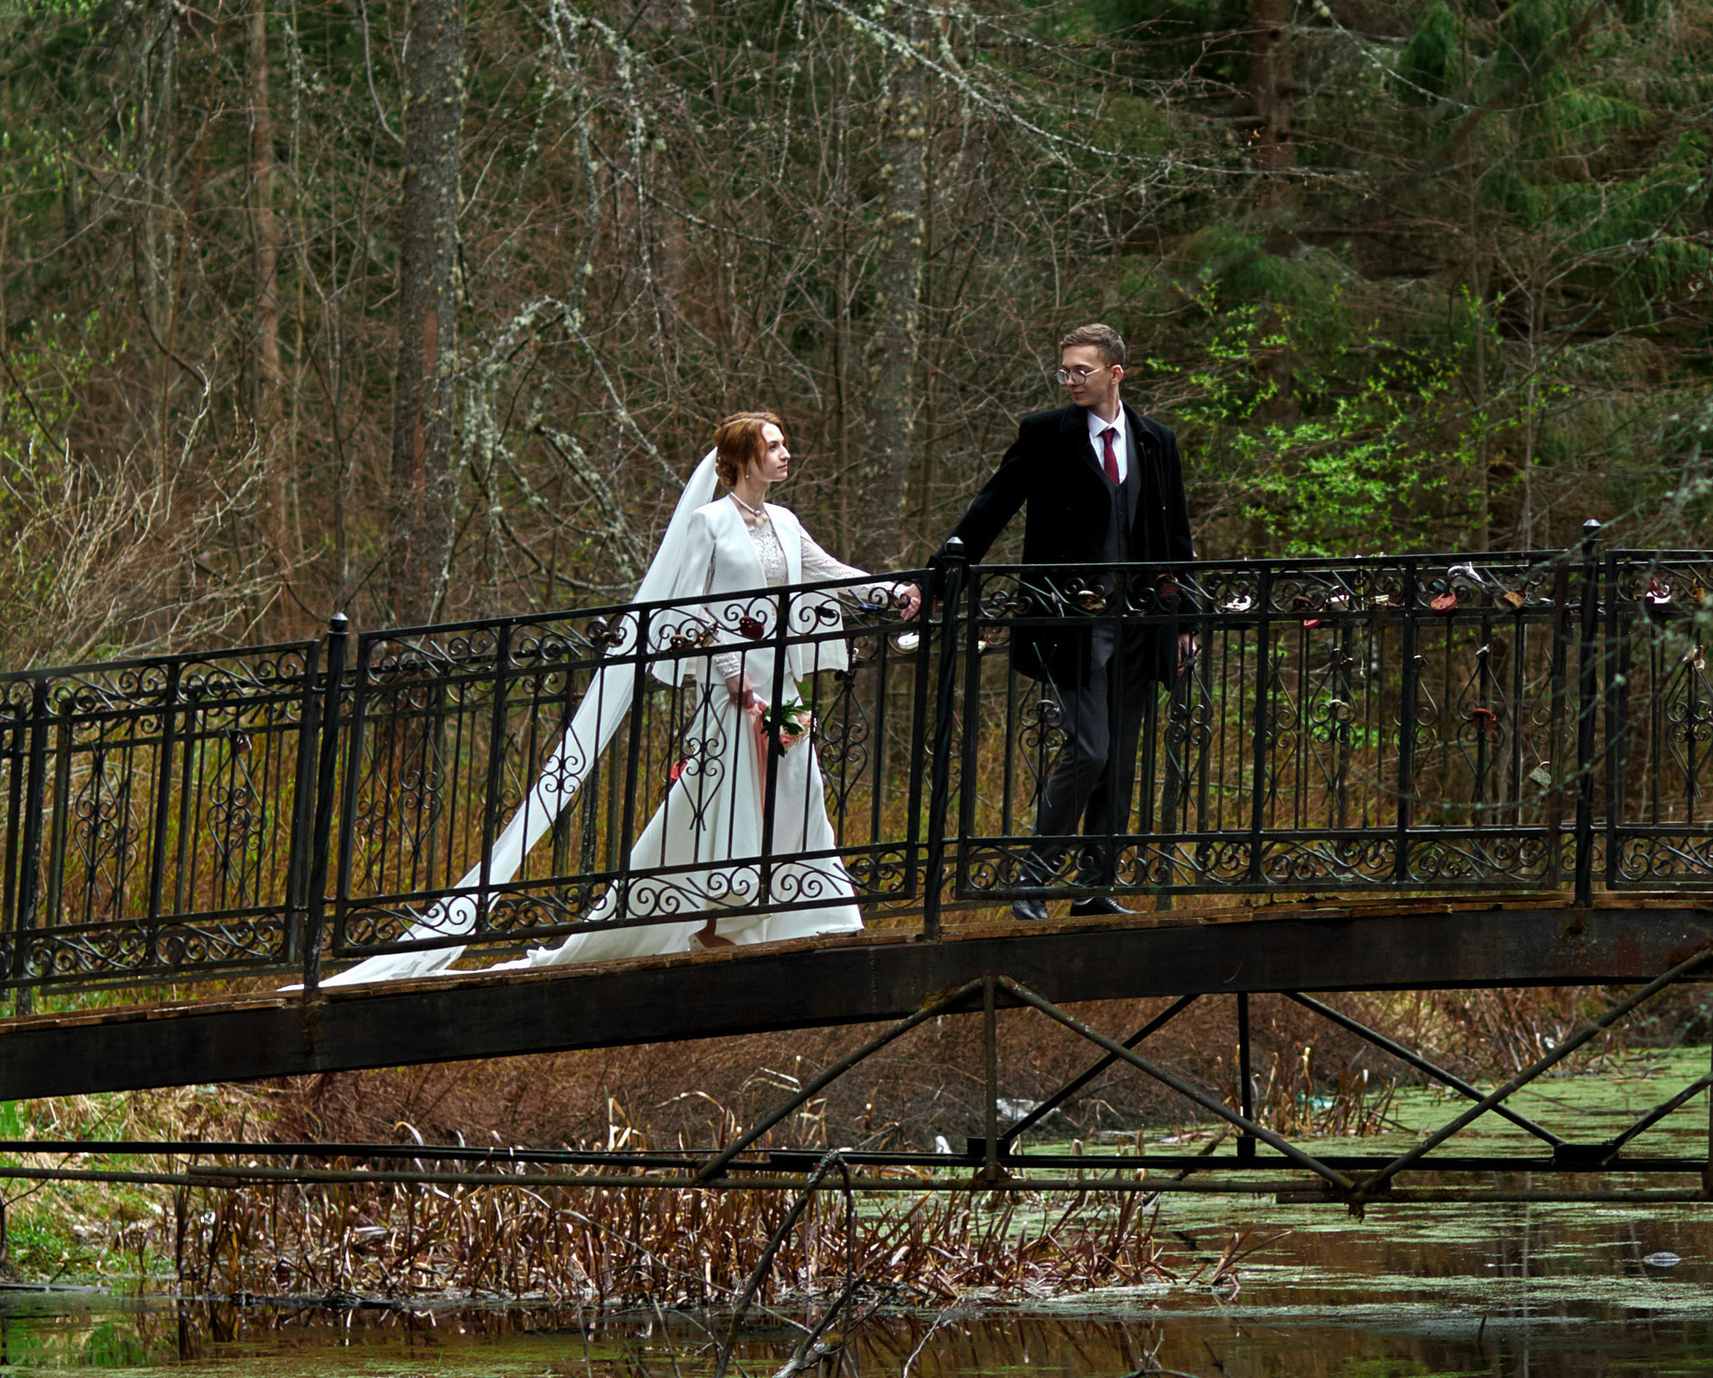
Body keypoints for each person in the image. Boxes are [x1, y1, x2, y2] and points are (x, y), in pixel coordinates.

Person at [328, 411, 919, 984]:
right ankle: (707, 914)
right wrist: (732, 670)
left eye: (784, 444)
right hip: (730, 687)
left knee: (798, 787)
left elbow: (826, 570)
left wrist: (892, 590)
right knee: (723, 800)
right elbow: (692, 606)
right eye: (774, 445)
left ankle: (815, 913)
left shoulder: (786, 523)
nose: (785, 453)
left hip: (781, 683)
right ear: (742, 460)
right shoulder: (709, 523)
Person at [940, 323, 1195, 918]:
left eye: (1082, 370)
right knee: (1091, 749)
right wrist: (945, 571)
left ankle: (1094, 887)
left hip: (1139, 624)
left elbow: (1176, 537)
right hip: (1069, 621)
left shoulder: (1157, 441)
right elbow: (992, 504)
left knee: (1122, 758)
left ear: (1115, 373)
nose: (1071, 380)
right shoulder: (1046, 435)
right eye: (1065, 371)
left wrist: (1185, 621)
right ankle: (1032, 878)